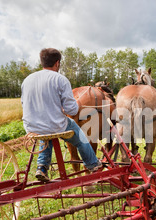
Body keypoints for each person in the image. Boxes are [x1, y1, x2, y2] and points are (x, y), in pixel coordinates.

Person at [21, 48, 102, 182]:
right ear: (57, 63)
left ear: (42, 62)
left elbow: (24, 103)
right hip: (53, 125)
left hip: (31, 127)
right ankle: (93, 163)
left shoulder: (27, 79)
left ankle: (42, 167)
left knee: (46, 135)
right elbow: (72, 111)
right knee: (80, 136)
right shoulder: (60, 79)